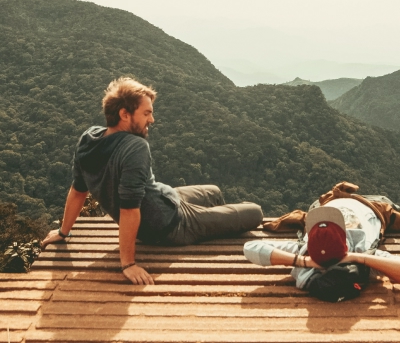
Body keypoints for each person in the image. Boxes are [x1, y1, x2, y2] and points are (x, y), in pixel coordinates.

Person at [41, 77, 263, 285]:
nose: (152, 120)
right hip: (170, 225)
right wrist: (128, 264)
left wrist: (63, 232)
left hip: (165, 199)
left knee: (213, 191)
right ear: (124, 114)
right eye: (146, 113)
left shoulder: (89, 138)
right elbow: (129, 208)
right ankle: (213, 223)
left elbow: (78, 190)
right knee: (255, 212)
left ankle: (216, 220)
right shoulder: (135, 147)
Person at [243, 196, 400, 294]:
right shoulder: (361, 250)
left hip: (324, 203)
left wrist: (304, 261)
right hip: (370, 204)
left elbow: (249, 248)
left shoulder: (305, 250)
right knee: (389, 201)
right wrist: (356, 257)